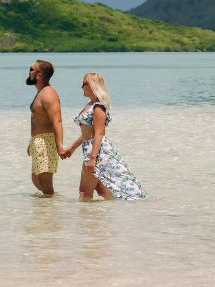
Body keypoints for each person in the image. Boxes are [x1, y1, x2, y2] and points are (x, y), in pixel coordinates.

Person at [63, 72, 147, 201]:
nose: (81, 86)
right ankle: (105, 216)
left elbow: (99, 134)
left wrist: (92, 158)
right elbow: (87, 134)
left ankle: (88, 220)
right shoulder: (90, 105)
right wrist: (72, 148)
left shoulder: (98, 107)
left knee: (84, 193)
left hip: (96, 151)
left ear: (92, 86)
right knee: (101, 189)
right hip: (91, 149)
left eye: (84, 83)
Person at [26, 59, 66, 196]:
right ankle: (47, 210)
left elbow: (57, 120)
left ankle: (51, 215)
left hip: (46, 142)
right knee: (36, 180)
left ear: (39, 75)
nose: (28, 72)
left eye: (31, 69)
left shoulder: (48, 93)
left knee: (45, 184)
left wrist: (60, 145)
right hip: (38, 141)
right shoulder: (41, 92)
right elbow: (38, 120)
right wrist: (32, 142)